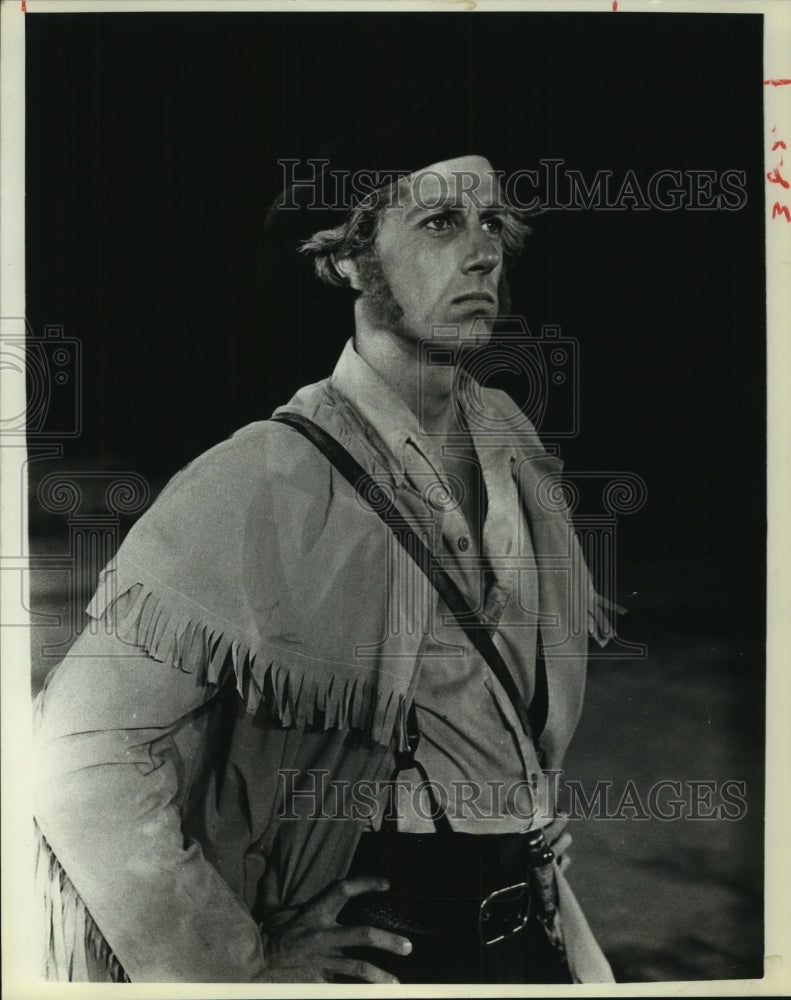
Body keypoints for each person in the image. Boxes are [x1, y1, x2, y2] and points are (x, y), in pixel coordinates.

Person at [33, 148, 618, 984]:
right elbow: (77, 748)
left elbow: (492, 716)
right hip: (382, 953)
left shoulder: (510, 445)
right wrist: (230, 968)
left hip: (531, 929)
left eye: (492, 222)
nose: (484, 250)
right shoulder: (265, 475)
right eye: (440, 222)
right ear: (346, 257)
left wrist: (511, 809)